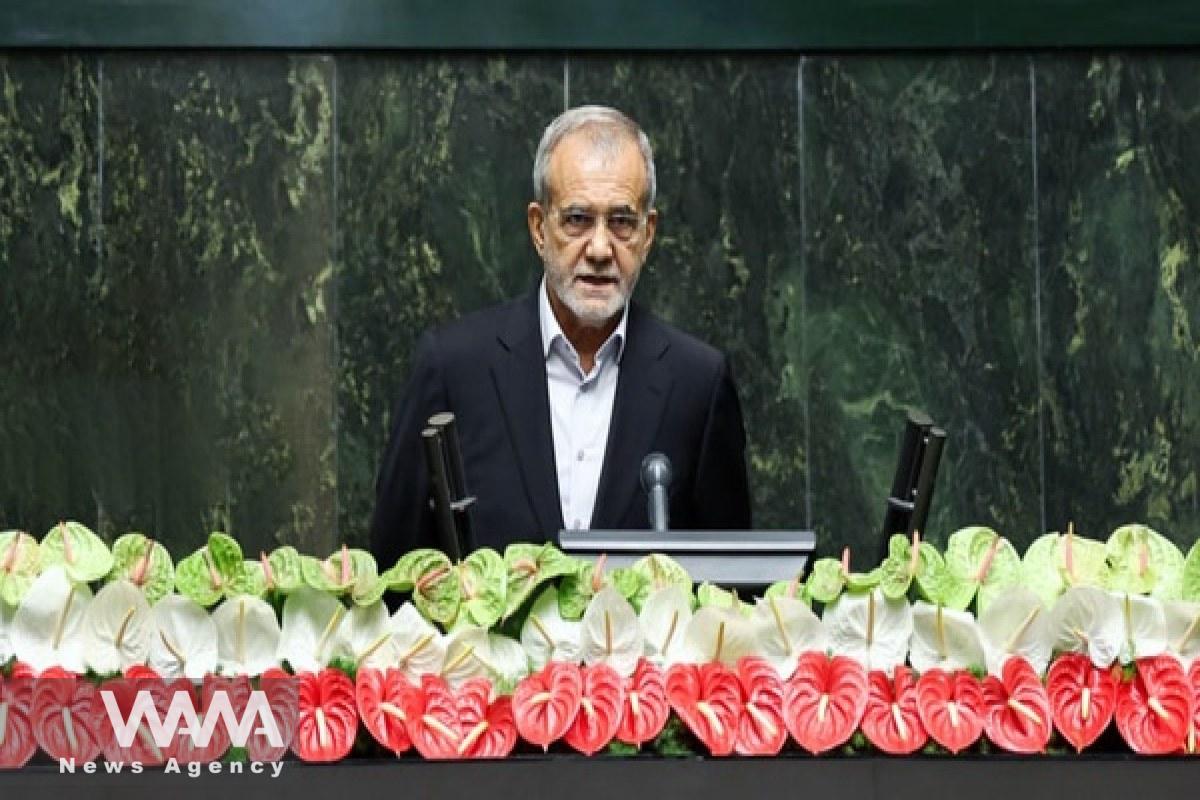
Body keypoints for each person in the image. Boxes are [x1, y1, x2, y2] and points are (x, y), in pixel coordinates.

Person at [368, 105, 751, 569]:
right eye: (576, 219)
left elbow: (732, 594)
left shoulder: (698, 384)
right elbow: (394, 581)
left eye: (622, 222)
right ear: (538, 228)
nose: (599, 249)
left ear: (648, 235)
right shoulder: (453, 368)